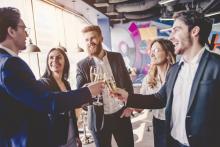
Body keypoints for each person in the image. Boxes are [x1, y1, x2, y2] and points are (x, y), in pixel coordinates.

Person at [111, 10, 219, 147]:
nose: (171, 36)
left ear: (194, 31)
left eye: (176, 30)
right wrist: (127, 96)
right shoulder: (174, 70)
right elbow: (159, 99)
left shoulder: (216, 65)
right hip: (173, 142)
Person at [0, 7, 103, 147]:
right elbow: (49, 102)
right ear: (11, 31)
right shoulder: (10, 64)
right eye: (23, 29)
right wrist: (89, 92)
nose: (26, 34)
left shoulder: (5, 62)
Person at [76, 25, 134, 147]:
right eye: (86, 40)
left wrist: (130, 106)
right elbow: (80, 94)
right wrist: (90, 92)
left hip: (121, 114)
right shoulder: (82, 65)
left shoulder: (117, 57)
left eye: (93, 38)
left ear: (101, 38)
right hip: (98, 120)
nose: (90, 42)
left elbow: (127, 83)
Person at [39, 48, 82, 147]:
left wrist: (77, 135)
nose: (54, 61)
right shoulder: (43, 83)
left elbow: (71, 111)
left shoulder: (66, 83)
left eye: (58, 57)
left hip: (70, 133)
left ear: (65, 62)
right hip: (56, 137)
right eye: (51, 58)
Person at [140, 38, 176, 147]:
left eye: (156, 50)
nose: (151, 54)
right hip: (158, 123)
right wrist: (128, 103)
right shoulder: (148, 79)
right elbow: (142, 102)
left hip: (177, 122)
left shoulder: (179, 75)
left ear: (168, 54)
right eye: (151, 51)